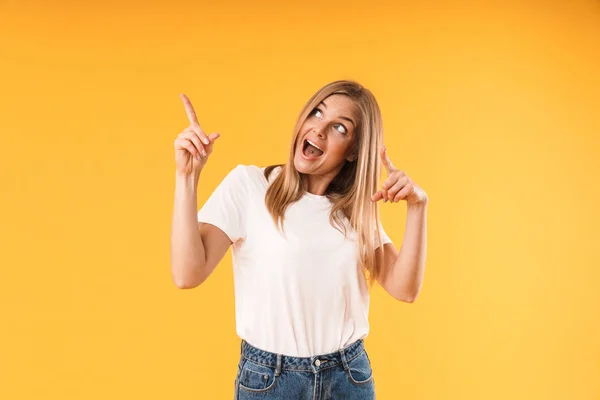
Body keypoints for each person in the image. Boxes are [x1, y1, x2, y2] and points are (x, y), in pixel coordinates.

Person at [170, 80, 428, 399]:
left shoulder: (355, 211)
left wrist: (418, 207)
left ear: (354, 152)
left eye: (339, 128)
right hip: (270, 381)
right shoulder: (250, 186)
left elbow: (404, 289)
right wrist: (187, 176)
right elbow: (187, 274)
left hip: (347, 378)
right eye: (317, 113)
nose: (319, 129)